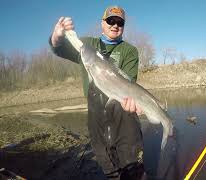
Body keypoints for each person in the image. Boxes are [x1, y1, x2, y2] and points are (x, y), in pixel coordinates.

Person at [49, 5, 146, 179]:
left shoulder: (129, 51)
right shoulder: (86, 45)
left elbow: (129, 84)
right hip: (96, 119)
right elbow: (59, 48)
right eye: (110, 21)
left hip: (123, 115)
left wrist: (134, 102)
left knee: (133, 169)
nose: (115, 25)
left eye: (119, 22)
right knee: (109, 169)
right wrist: (57, 35)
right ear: (102, 23)